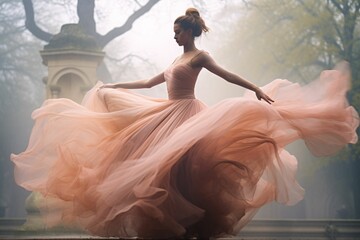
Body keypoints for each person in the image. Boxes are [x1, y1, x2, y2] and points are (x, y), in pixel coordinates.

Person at [11, 7, 358, 239]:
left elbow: (226, 74)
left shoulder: (199, 56)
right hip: (167, 112)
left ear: (189, 32)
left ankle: (191, 221)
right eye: (173, 32)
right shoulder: (176, 58)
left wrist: (253, 88)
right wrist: (116, 85)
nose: (173, 36)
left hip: (188, 114)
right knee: (155, 164)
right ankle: (172, 222)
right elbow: (150, 83)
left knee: (185, 165)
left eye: (177, 32)